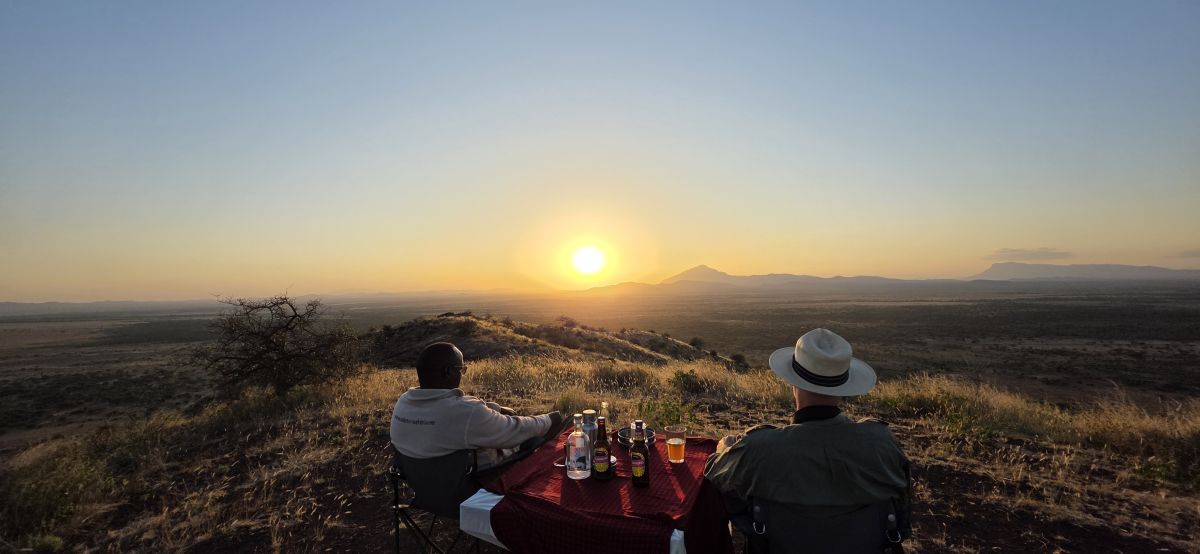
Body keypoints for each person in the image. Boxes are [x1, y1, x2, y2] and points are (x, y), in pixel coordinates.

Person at [704, 328, 911, 552]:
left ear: (793, 383)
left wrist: (725, 448)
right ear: (844, 388)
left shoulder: (759, 448)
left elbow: (715, 473)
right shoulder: (882, 443)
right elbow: (902, 511)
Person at [390, 342, 566, 471]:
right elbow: (516, 429)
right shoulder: (466, 413)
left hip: (425, 492)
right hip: (470, 491)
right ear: (448, 372)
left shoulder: (403, 403)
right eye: (461, 369)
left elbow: (454, 412)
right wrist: (550, 419)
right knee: (534, 440)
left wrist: (494, 408)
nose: (462, 375)